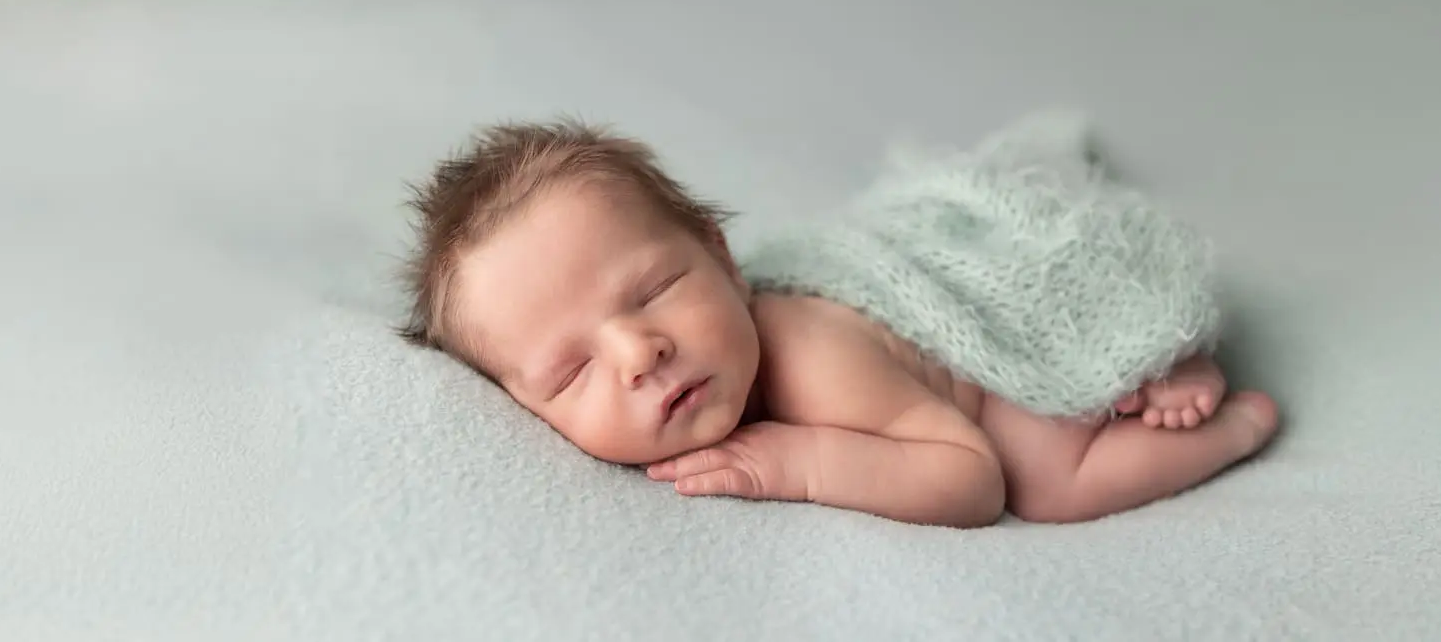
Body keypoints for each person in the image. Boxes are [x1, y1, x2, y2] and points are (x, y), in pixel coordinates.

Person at [397, 117, 1278, 527]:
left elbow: (970, 478)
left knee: (1049, 481)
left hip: (994, 343)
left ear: (723, 258)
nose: (638, 352)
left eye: (656, 288)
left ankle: (1216, 411)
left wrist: (797, 462)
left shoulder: (810, 357)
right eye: (571, 372)